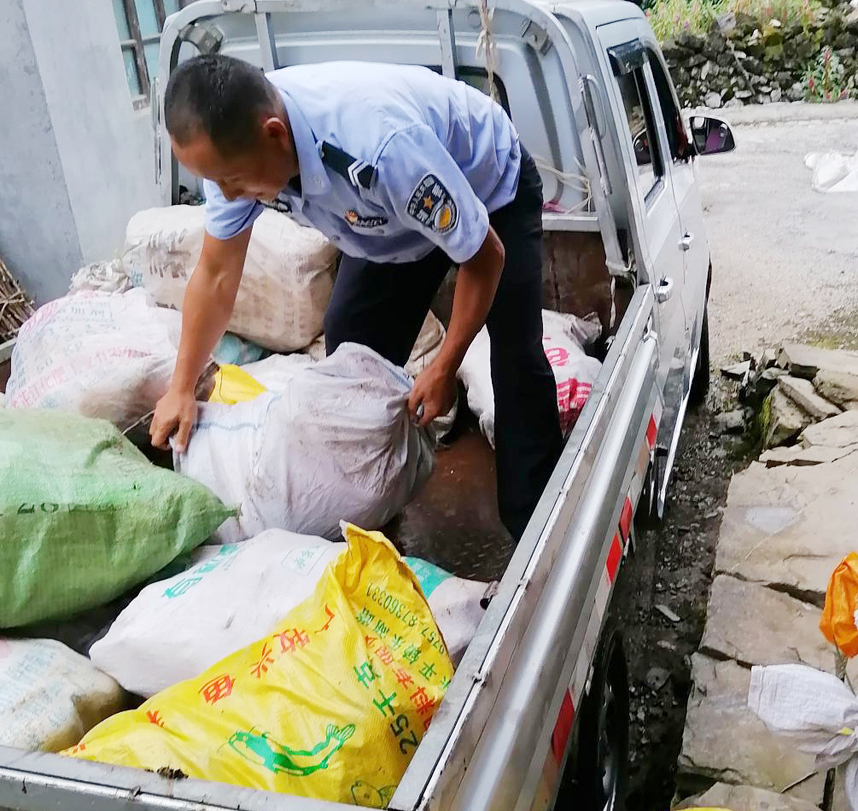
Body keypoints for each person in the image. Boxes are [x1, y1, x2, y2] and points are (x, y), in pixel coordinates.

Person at [150, 54, 563, 540]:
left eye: (233, 182)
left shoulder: (379, 148)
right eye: (214, 181)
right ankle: (370, 515)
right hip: (384, 223)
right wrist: (181, 386)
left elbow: (485, 257)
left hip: (489, 191)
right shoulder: (232, 154)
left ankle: (537, 529)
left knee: (514, 358)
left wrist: (445, 365)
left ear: (275, 135)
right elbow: (217, 273)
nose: (225, 195)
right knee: (350, 351)